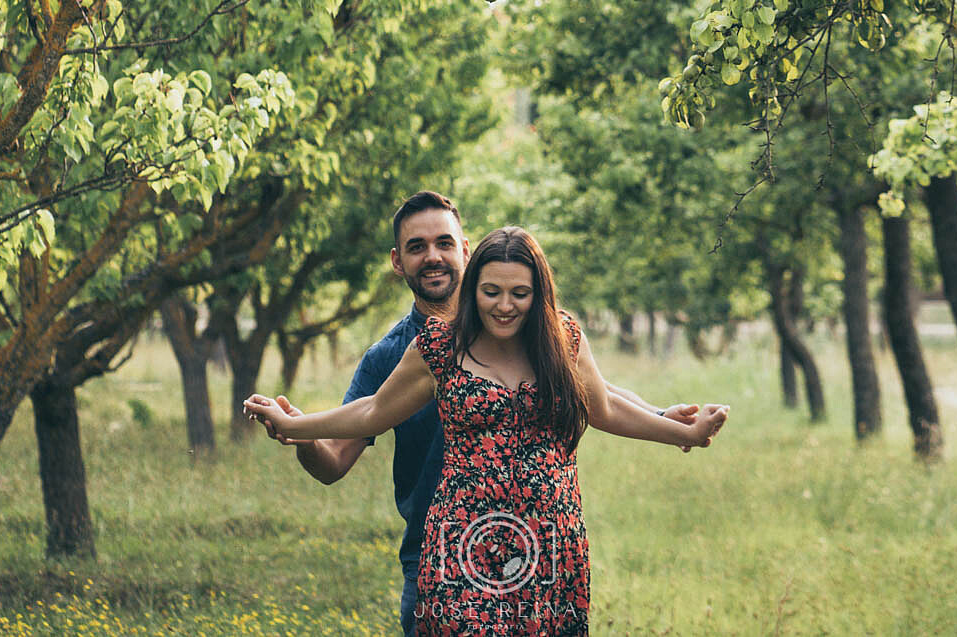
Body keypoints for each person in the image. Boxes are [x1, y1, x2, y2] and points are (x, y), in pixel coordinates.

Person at [245, 191, 715, 633]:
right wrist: (295, 427)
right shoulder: (425, 350)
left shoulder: (559, 339)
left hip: (551, 547)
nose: (505, 305)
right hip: (457, 547)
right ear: (400, 262)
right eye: (492, 293)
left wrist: (675, 427)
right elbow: (369, 414)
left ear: (465, 253)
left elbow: (603, 402)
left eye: (444, 243)